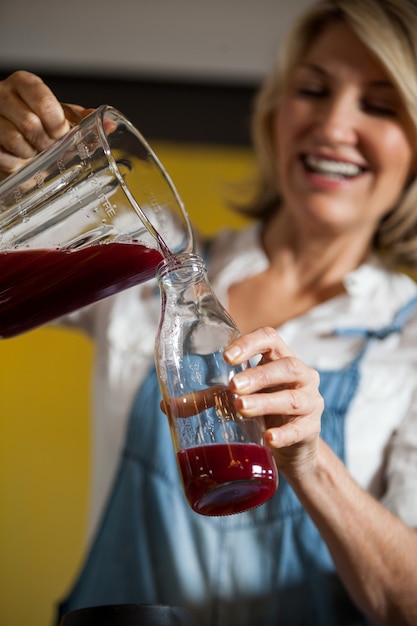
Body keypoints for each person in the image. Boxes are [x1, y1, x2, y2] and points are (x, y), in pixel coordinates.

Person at [1, 0, 417, 624]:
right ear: (275, 111)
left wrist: (308, 458)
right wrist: (26, 176)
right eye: (312, 90)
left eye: (379, 105)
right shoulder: (149, 257)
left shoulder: (410, 339)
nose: (334, 125)